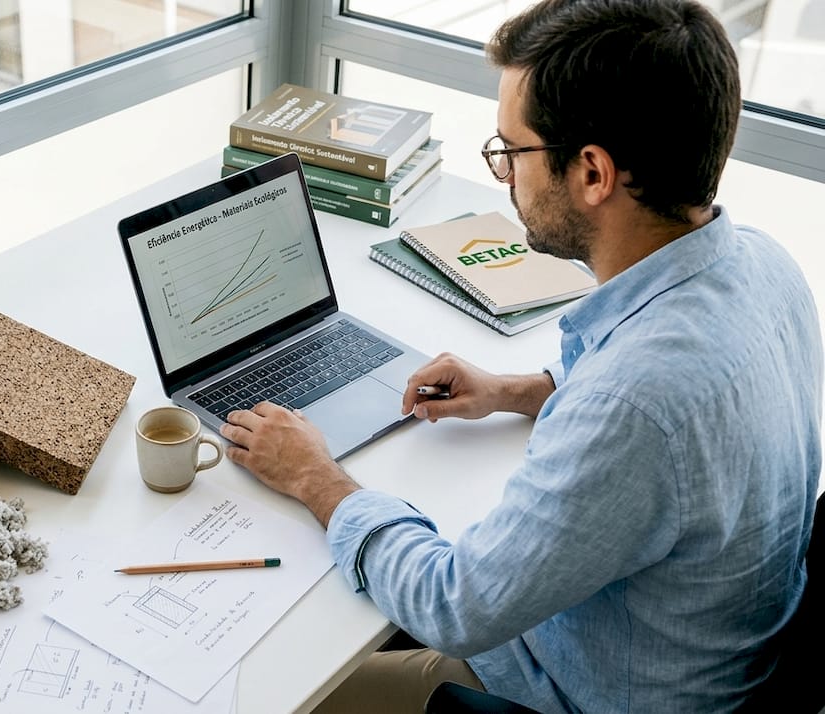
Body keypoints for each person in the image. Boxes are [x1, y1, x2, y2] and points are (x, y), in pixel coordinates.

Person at [220, 0, 823, 711]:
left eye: (512, 150)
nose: (505, 173)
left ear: (594, 173)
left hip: (580, 691)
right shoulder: (761, 263)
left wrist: (319, 480)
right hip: (703, 655)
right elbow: (660, 397)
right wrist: (515, 391)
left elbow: (454, 605)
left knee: (269, 687)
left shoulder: (633, 408)